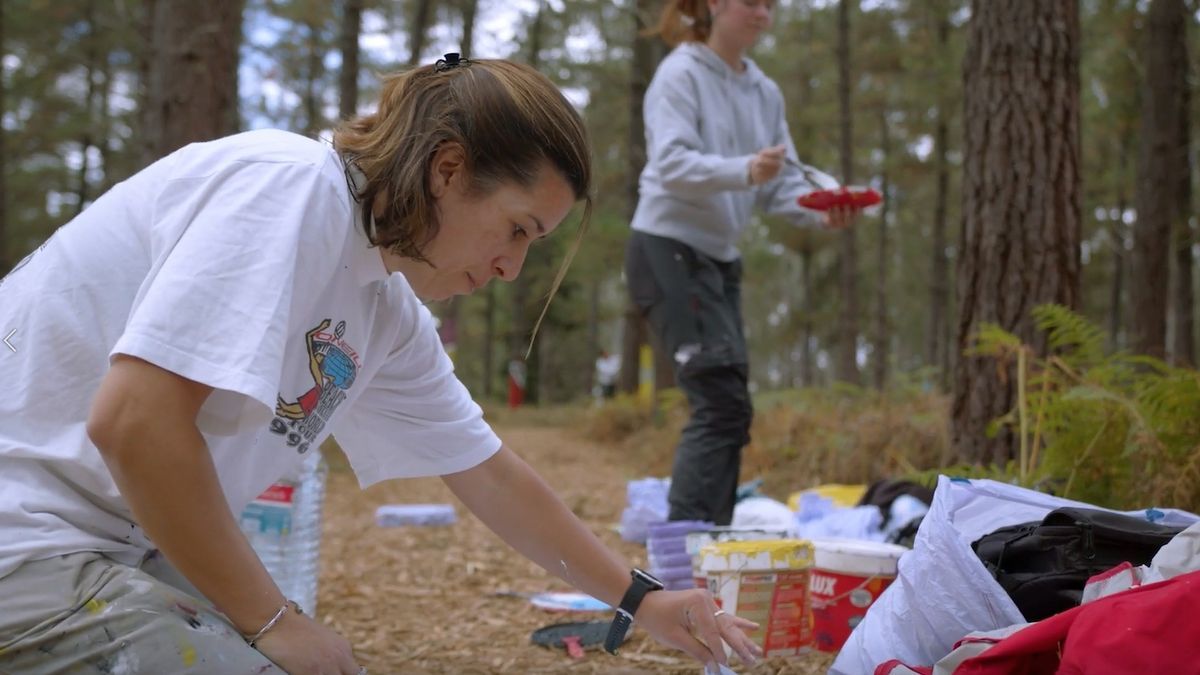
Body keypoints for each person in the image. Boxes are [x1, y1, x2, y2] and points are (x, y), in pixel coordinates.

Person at [0, 56, 761, 674]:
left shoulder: (383, 303)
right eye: (517, 230)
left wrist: (641, 599)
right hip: (23, 543)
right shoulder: (288, 187)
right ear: (449, 169)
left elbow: (489, 473)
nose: (510, 268)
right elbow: (133, 421)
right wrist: (273, 619)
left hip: (95, 551)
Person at [625, 0, 860, 526]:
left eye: (770, 4)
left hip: (718, 260)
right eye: (752, 1)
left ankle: (710, 545)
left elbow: (779, 185)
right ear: (714, 4)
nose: (764, 12)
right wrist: (746, 170)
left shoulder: (764, 91)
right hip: (668, 248)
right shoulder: (679, 73)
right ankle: (685, 557)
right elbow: (671, 163)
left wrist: (826, 210)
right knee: (720, 402)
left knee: (730, 409)